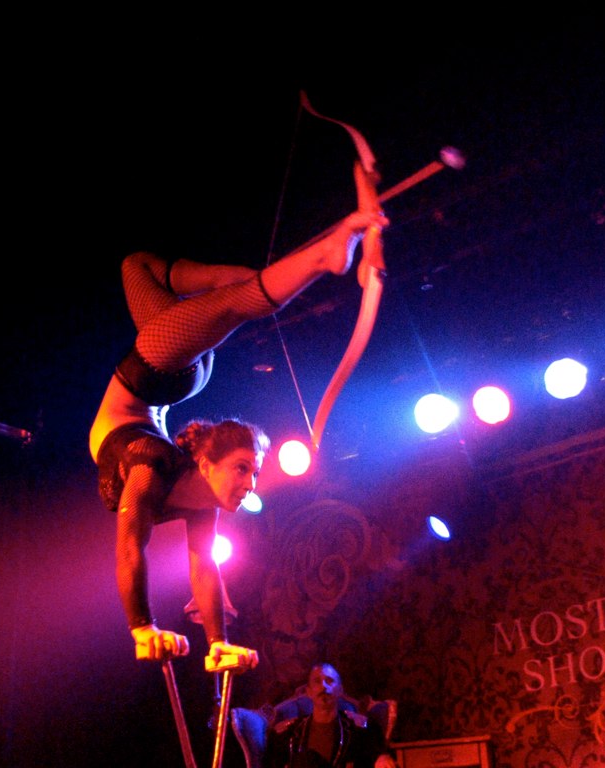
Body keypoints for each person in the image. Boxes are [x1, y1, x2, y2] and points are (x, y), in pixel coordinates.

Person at [89, 208, 388, 669]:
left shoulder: (150, 470)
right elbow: (146, 551)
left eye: (249, 471)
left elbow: (192, 565)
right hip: (163, 368)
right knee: (226, 300)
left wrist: (212, 642)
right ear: (206, 463)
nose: (251, 484)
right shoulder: (177, 480)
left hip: (158, 373)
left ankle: (233, 280)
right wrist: (143, 627)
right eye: (245, 469)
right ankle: (316, 259)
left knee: (139, 266)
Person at [264, 663, 397, 768]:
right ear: (308, 692)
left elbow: (380, 751)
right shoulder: (288, 734)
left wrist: (381, 757)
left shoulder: (360, 729)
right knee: (306, 760)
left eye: (329, 681)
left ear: (340, 690)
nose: (323, 686)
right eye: (317, 681)